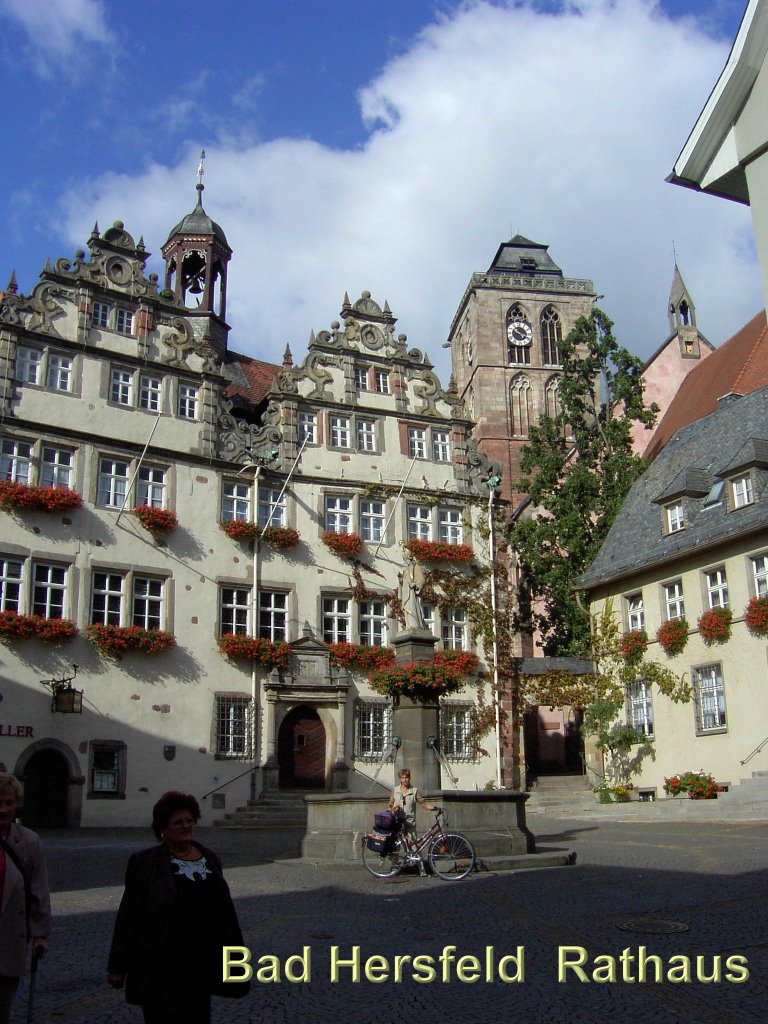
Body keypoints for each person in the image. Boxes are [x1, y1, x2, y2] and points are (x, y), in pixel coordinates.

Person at [107, 791, 249, 1024]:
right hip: (161, 964)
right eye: (178, 822)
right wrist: (117, 967)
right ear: (163, 828)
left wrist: (235, 961)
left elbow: (225, 914)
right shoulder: (145, 863)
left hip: (201, 963)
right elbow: (129, 916)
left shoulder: (209, 858)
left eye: (190, 821)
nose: (186, 826)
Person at [0, 772, 51, 1024]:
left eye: (9, 803)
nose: (3, 809)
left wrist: (40, 934)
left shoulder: (29, 841)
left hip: (10, 936)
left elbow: (38, 890)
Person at [389, 767, 438, 838]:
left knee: (412, 847)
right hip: (397, 822)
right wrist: (393, 808)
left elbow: (423, 803)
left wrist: (434, 808)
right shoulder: (395, 790)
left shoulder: (414, 791)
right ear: (400, 779)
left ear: (409, 778)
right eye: (403, 778)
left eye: (406, 777)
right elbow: (390, 803)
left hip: (410, 823)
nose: (405, 780)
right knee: (398, 846)